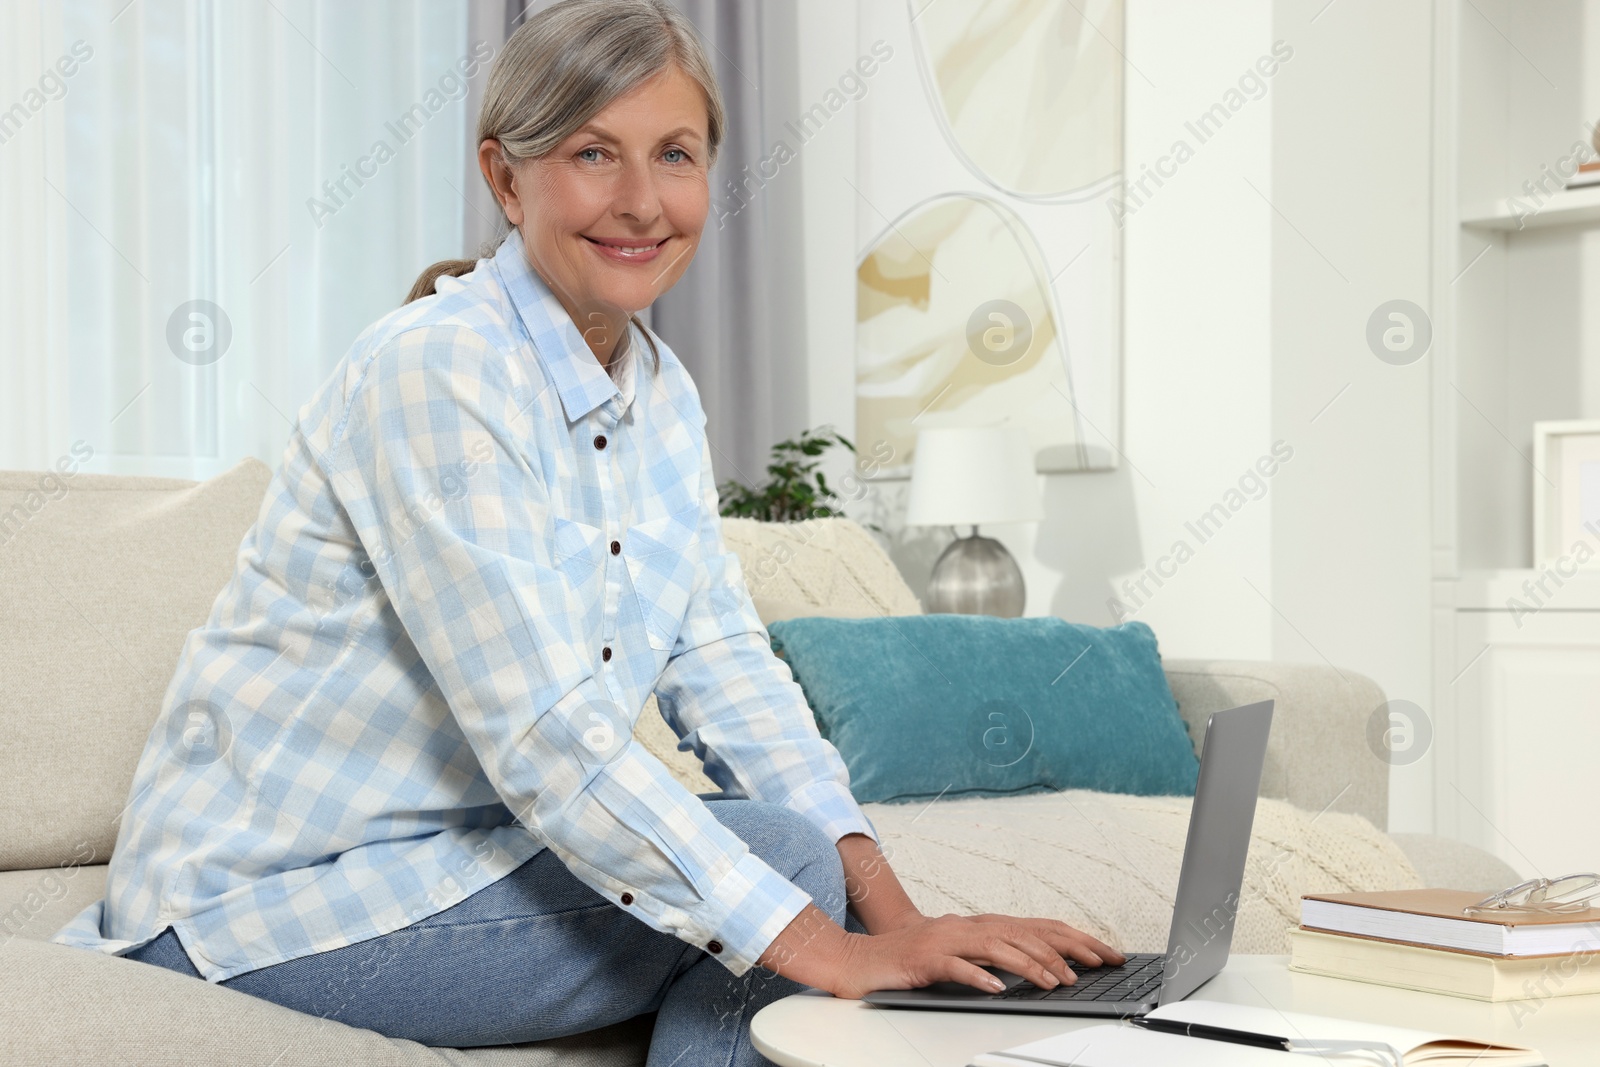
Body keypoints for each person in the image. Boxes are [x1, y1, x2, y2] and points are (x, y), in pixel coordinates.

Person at [51, 2, 1122, 1062]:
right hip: (259, 911)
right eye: (593, 153)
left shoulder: (661, 392)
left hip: (454, 865)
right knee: (778, 871)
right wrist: (827, 949)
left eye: (675, 153)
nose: (642, 201)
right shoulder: (436, 372)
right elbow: (547, 735)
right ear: (506, 179)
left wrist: (896, 920)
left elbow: (727, 673)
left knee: (786, 861)